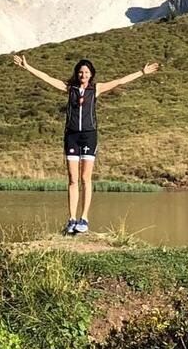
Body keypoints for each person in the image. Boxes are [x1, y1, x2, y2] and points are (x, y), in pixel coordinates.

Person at [11, 52, 161, 234]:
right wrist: (27, 67)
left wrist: (141, 72)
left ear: (91, 74)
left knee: (85, 179)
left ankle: (84, 218)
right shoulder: (69, 88)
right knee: (73, 180)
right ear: (77, 73)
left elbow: (120, 81)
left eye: (87, 72)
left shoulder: (96, 89)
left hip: (89, 136)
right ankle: (72, 219)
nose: (83, 75)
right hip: (71, 136)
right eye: (81, 72)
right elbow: (47, 78)